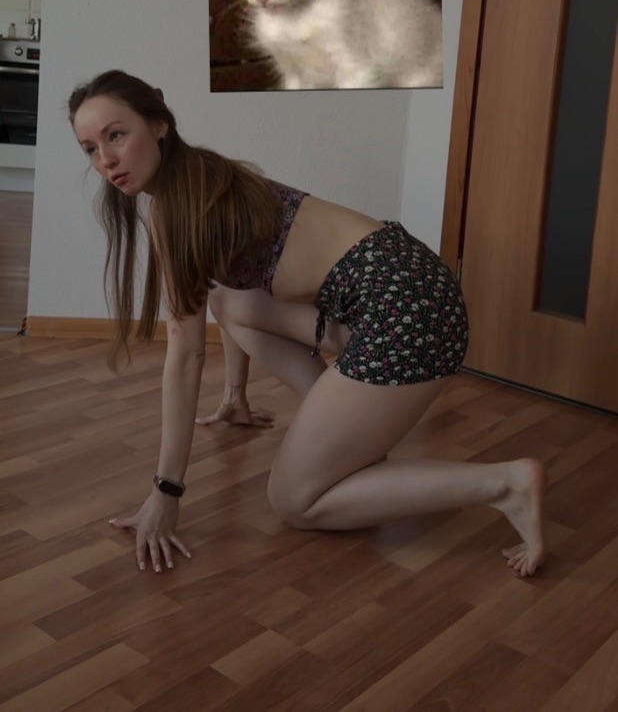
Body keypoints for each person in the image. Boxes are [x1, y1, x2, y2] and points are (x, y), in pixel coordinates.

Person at [69, 69, 547, 578]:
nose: (106, 160)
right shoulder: (203, 177)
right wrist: (234, 395)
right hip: (405, 291)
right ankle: (347, 434)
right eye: (91, 149)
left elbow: (186, 356)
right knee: (229, 301)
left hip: (407, 315)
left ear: (159, 124)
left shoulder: (178, 209)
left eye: (116, 135)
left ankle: (505, 485)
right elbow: (227, 293)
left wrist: (167, 491)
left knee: (294, 500)